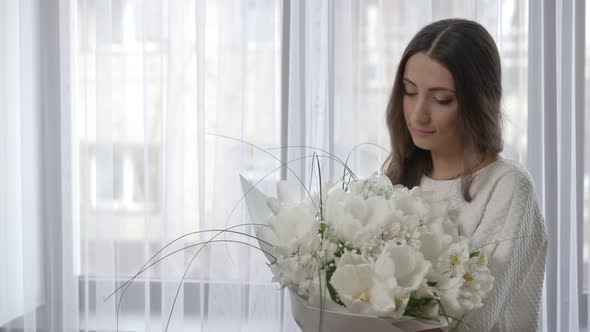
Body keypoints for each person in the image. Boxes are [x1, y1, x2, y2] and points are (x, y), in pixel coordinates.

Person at [381, 19, 548, 331]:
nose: (418, 114)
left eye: (441, 98)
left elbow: (472, 318)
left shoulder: (508, 188)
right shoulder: (397, 179)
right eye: (409, 91)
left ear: (478, 102)